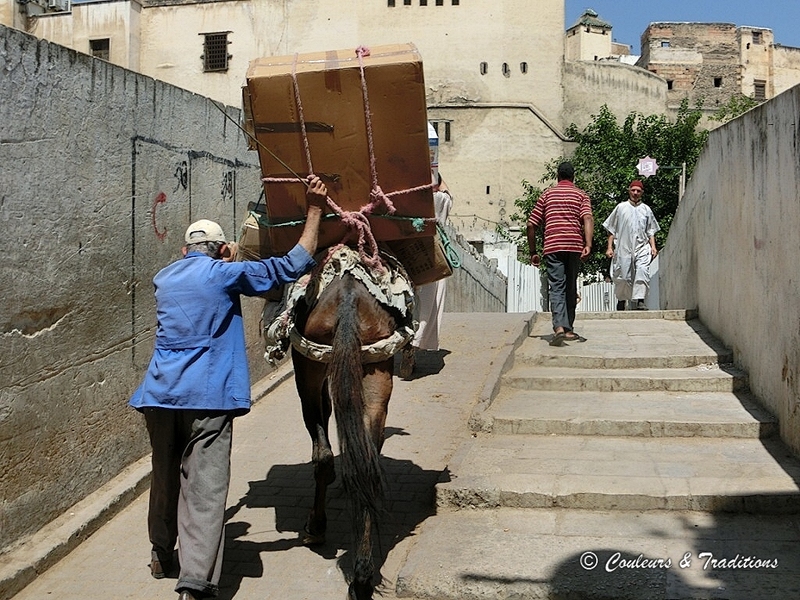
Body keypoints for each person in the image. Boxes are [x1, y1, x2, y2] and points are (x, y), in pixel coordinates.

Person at [129, 176, 328, 600]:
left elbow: (198, 272)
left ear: (183, 251)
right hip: (208, 398)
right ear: (222, 250)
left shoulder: (164, 278)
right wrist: (314, 209)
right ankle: (195, 585)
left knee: (165, 479)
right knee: (204, 488)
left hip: (159, 396)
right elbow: (292, 264)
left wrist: (223, 258)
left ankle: (162, 554)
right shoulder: (224, 274)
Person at [527, 161, 593, 346]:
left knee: (557, 287)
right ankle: (569, 329)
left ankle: (559, 328)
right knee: (570, 287)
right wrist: (588, 244)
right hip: (574, 246)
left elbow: (531, 223)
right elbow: (587, 217)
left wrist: (533, 251)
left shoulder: (547, 195)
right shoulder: (581, 195)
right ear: (573, 176)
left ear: (558, 176)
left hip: (553, 247)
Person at [399, 173, 453, 379]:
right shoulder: (439, 200)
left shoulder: (401, 198)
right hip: (427, 257)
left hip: (400, 251)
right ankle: (412, 347)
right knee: (426, 305)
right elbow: (447, 194)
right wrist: (439, 177)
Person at [603, 179, 660, 311]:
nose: (635, 193)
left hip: (642, 247)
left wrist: (653, 247)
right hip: (623, 246)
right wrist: (609, 247)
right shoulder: (620, 208)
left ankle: (640, 300)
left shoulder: (646, 209)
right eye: (633, 190)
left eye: (638, 191)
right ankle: (622, 300)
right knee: (623, 276)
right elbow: (612, 229)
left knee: (642, 272)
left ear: (642, 193)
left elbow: (650, 230)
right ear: (629, 191)